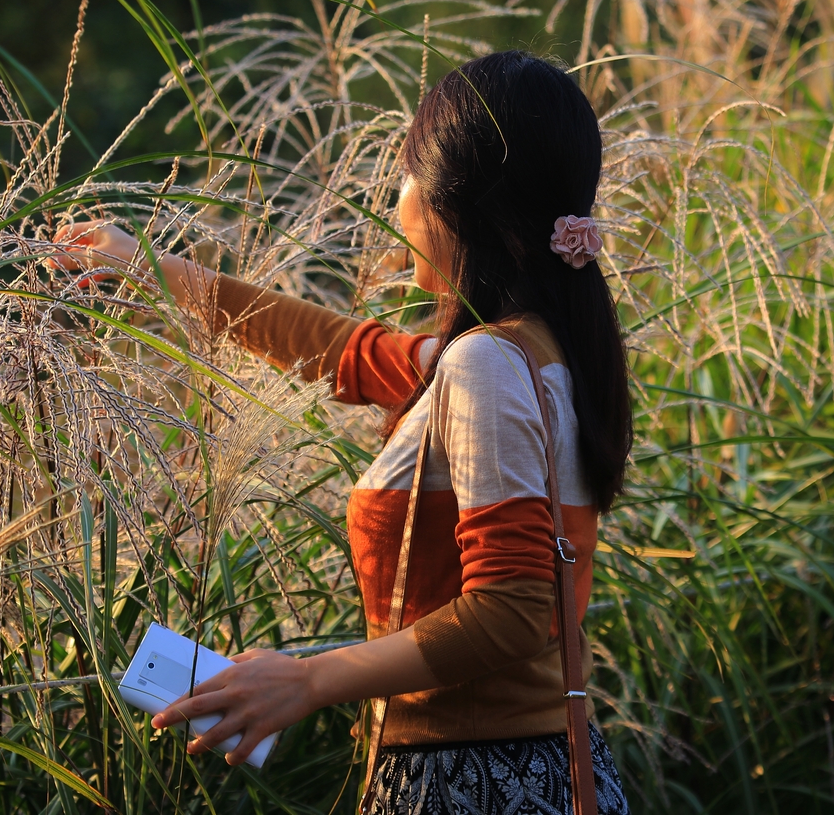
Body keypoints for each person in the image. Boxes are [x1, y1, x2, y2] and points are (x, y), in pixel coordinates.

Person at [54, 51, 633, 814]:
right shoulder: (536, 351)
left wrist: (309, 679)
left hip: (475, 783)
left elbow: (514, 610)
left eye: (409, 172)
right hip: (528, 768)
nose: (399, 197)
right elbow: (344, 352)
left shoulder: (487, 366)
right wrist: (159, 273)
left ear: (456, 198)